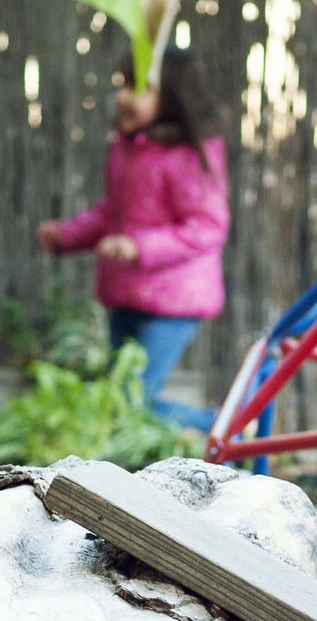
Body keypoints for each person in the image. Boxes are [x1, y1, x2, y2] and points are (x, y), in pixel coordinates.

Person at [34, 44, 231, 426]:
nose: (122, 96)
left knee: (128, 401)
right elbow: (114, 213)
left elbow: (208, 226)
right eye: (121, 84)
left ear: (171, 97)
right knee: (119, 398)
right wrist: (68, 236)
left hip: (174, 301)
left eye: (136, 87)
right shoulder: (130, 149)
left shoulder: (188, 156)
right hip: (127, 295)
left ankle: (223, 428)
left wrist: (138, 246)